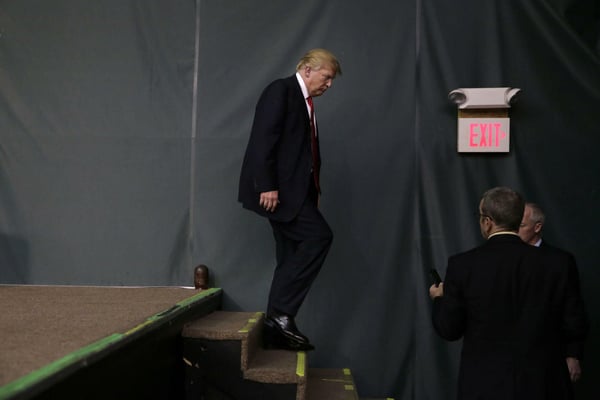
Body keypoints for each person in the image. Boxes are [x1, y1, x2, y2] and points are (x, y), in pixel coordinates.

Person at [430, 187, 588, 400]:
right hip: (544, 383)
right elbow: (574, 321)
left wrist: (439, 298)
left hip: (484, 385)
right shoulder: (558, 263)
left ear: (487, 222)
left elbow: (449, 329)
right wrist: (573, 354)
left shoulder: (463, 265)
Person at [238, 49, 342, 351]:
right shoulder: (281, 91)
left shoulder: (306, 102)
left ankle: (276, 328)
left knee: (289, 254)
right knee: (319, 237)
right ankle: (281, 314)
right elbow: (263, 139)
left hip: (297, 194)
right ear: (308, 70)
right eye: (326, 77)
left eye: (331, 80)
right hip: (278, 192)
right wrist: (267, 185)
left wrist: (313, 194)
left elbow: (304, 154)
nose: (329, 85)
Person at [519, 202, 587, 383]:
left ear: (537, 227)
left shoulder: (560, 261)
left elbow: (572, 309)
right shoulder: (502, 259)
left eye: (521, 225)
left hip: (549, 355)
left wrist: (573, 354)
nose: (515, 231)